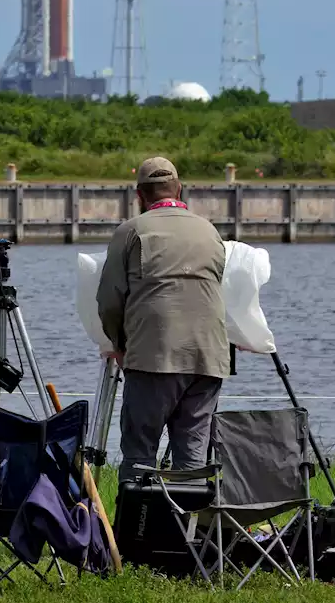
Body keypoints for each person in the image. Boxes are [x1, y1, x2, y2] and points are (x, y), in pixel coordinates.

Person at [96, 157, 229, 482]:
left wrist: (119, 345)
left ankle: (135, 532)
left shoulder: (131, 231)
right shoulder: (209, 231)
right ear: (179, 189)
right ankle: (187, 530)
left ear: (140, 195)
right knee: (192, 456)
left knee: (140, 455)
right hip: (208, 358)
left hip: (153, 356)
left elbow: (109, 301)